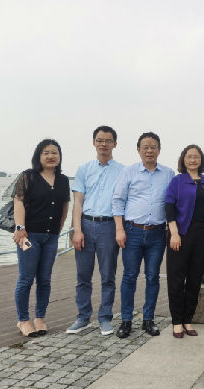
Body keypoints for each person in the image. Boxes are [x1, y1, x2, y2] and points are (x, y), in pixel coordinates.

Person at [112, 132, 175, 339]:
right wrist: (119, 229)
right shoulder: (128, 172)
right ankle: (126, 320)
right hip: (132, 231)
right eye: (145, 147)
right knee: (129, 276)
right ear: (138, 149)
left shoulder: (168, 173)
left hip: (157, 233)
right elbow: (118, 201)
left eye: (153, 147)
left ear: (159, 150)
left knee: (153, 276)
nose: (149, 150)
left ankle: (148, 319)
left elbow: (173, 202)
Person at [67, 126, 124, 337]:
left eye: (108, 140)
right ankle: (83, 316)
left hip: (109, 226)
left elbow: (123, 202)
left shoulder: (123, 171)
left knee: (108, 275)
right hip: (86, 224)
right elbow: (78, 202)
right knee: (83, 275)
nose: (104, 144)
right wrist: (77, 230)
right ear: (94, 143)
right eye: (100, 140)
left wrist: (120, 229)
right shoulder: (83, 169)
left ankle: (105, 317)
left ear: (115, 144)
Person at [12, 139, 70, 337]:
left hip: (51, 237)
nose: (51, 156)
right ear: (39, 156)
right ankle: (23, 320)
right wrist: (20, 228)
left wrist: (59, 228)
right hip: (29, 236)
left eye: (54, 152)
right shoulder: (28, 176)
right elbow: (18, 202)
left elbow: (64, 206)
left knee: (45, 279)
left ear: (59, 156)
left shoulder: (63, 180)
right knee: (26, 279)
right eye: (46, 153)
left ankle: (40, 318)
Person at [165, 145, 204, 338]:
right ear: (183, 159)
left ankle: (188, 319)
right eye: (189, 156)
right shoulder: (177, 181)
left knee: (195, 280)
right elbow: (169, 206)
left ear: (201, 160)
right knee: (176, 280)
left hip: (200, 237)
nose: (193, 160)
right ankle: (177, 321)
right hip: (180, 235)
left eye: (196, 156)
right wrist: (174, 233)